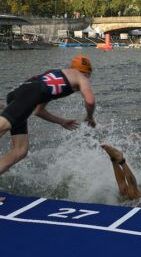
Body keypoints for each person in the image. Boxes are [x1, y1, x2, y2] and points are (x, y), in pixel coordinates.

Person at [0, 55, 96, 187]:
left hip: (19, 93)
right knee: (3, 126)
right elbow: (90, 101)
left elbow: (38, 111)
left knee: (20, 150)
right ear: (87, 72)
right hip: (29, 95)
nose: (88, 78)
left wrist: (62, 121)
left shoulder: (56, 74)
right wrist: (90, 116)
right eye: (89, 75)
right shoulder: (81, 77)